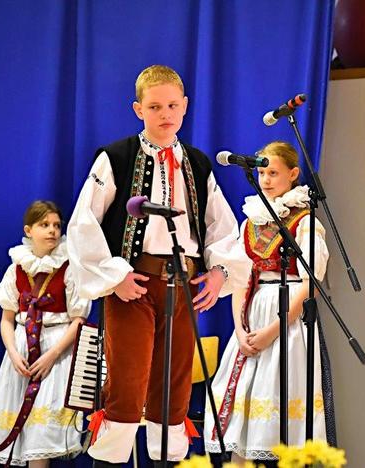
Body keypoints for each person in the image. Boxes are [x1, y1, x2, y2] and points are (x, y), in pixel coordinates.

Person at [67, 64, 250, 467]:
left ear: (184, 106)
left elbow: (221, 227)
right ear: (138, 110)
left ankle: (167, 460)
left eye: (171, 105)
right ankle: (109, 460)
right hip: (134, 286)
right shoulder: (115, 157)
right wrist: (114, 276)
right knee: (126, 387)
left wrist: (220, 273)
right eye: (154, 107)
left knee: (174, 390)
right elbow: (83, 224)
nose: (165, 114)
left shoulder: (198, 164)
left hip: (183, 287)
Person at [204, 141, 331, 465]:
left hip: (287, 321)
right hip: (253, 314)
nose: (266, 179)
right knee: (244, 407)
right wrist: (240, 329)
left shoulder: (305, 222)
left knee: (279, 401)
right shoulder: (250, 222)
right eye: (262, 173)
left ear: (293, 173)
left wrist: (273, 331)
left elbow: (310, 286)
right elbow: (240, 279)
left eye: (273, 172)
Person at [0, 200, 91, 466]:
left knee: (42, 433)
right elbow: (6, 319)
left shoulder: (69, 268)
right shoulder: (16, 269)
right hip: (22, 347)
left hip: (57, 348)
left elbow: (78, 319)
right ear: (29, 230)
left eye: (56, 225)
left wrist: (52, 355)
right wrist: (12, 352)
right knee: (19, 422)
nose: (52, 230)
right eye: (44, 225)